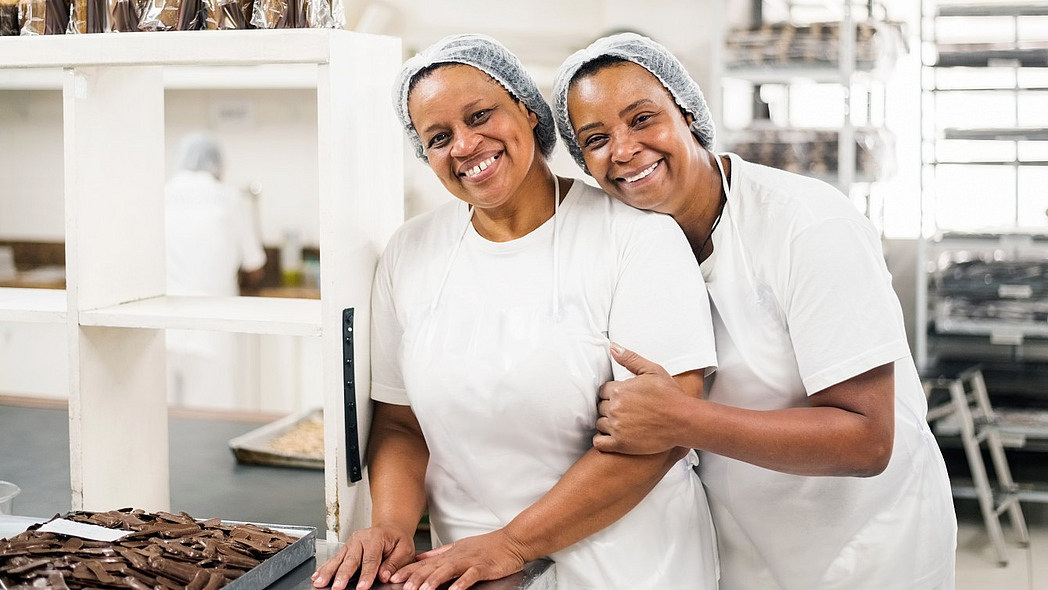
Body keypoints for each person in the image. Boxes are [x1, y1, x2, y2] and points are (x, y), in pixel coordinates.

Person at [311, 34, 719, 590]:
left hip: (632, 565)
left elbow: (664, 436)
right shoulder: (410, 251)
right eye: (438, 136)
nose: (464, 144)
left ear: (528, 112)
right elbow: (402, 423)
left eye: (480, 115)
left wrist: (513, 543)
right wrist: (392, 526)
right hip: (473, 571)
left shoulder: (636, 239)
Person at [552, 32, 957, 590]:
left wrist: (681, 421)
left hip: (867, 546)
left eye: (642, 119)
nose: (622, 150)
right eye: (596, 138)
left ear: (688, 113)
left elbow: (868, 440)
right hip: (744, 545)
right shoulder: (627, 248)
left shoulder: (808, 224)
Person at [164, 132, 266, 408]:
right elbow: (254, 266)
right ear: (218, 165)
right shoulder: (230, 198)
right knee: (209, 420)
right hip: (211, 327)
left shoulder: (161, 194)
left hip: (161, 326)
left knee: (160, 422)